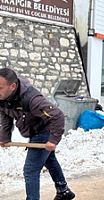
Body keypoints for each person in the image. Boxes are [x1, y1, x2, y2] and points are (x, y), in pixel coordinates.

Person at [0, 68, 75, 200]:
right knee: (50, 160)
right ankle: (63, 190)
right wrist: (5, 137)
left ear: (12, 86)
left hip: (45, 130)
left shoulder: (32, 99)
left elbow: (57, 116)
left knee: (30, 170)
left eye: (0, 87)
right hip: (34, 130)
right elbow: (5, 116)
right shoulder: (3, 97)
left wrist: (53, 139)